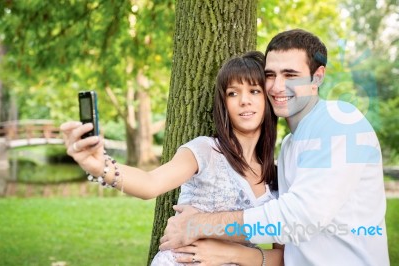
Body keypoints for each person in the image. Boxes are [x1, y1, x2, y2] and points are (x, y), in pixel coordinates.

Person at [159, 29, 390, 266]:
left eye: (290, 75)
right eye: (271, 75)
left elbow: (298, 217)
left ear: (317, 77)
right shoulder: (289, 145)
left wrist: (200, 224)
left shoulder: (339, 121)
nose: (277, 86)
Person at [61, 51, 284, 266]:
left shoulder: (277, 175)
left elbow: (284, 258)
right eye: (233, 93)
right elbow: (149, 183)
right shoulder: (206, 151)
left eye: (254, 91)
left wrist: (230, 252)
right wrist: (102, 167)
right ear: (223, 103)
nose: (244, 100)